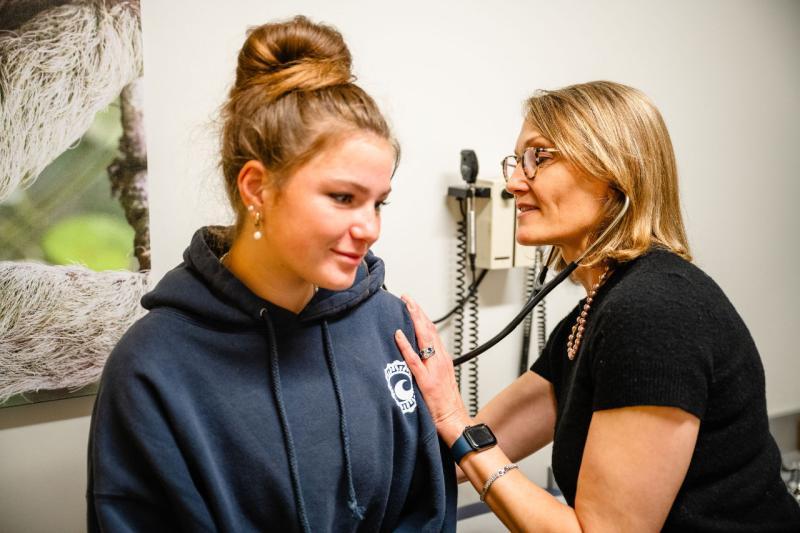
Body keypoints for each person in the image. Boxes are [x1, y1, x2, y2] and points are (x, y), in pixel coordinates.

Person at [87, 16, 456, 532]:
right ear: (257, 187)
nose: (369, 228)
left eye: (378, 203)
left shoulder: (391, 328)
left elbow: (428, 510)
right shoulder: (153, 368)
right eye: (343, 198)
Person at [395, 81, 800, 532]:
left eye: (539, 157)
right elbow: (487, 436)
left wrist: (453, 420)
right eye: (515, 162)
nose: (512, 183)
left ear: (615, 170)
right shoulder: (595, 311)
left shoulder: (653, 310)